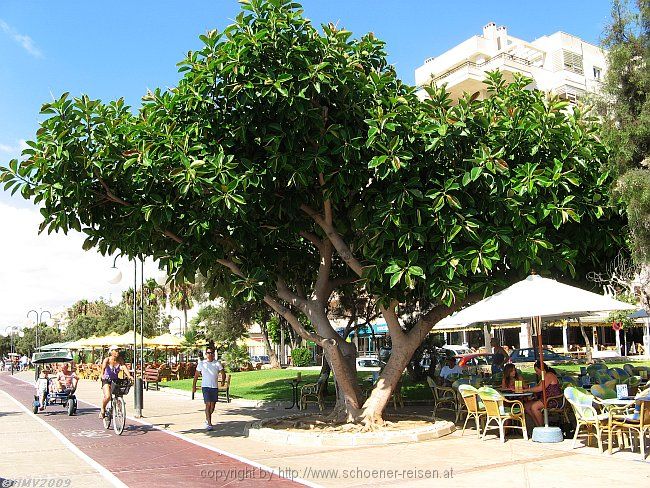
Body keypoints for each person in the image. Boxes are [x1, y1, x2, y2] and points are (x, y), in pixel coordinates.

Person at [192, 348, 226, 431]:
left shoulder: (217, 363)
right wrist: (194, 386)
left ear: (213, 354)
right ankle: (209, 423)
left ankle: (207, 418)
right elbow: (196, 376)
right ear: (206, 354)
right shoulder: (202, 363)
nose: (210, 354)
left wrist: (223, 381)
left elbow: (223, 373)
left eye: (211, 353)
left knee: (213, 406)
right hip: (205, 387)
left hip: (214, 387)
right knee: (208, 404)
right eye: (208, 353)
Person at [523, 360, 562, 427]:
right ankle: (538, 426)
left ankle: (542, 427)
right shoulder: (543, 378)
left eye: (537, 371)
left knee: (534, 407)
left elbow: (540, 388)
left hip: (553, 400)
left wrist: (527, 390)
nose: (536, 373)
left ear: (542, 369)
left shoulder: (549, 375)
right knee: (526, 406)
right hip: (545, 399)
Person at [99, 345, 133, 419]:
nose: (118, 352)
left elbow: (124, 367)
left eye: (118, 350)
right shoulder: (107, 360)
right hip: (106, 380)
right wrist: (101, 375)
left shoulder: (120, 360)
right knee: (108, 396)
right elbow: (102, 370)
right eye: (116, 350)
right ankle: (103, 408)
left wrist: (129, 375)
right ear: (111, 352)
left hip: (115, 380)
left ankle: (119, 409)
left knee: (119, 395)